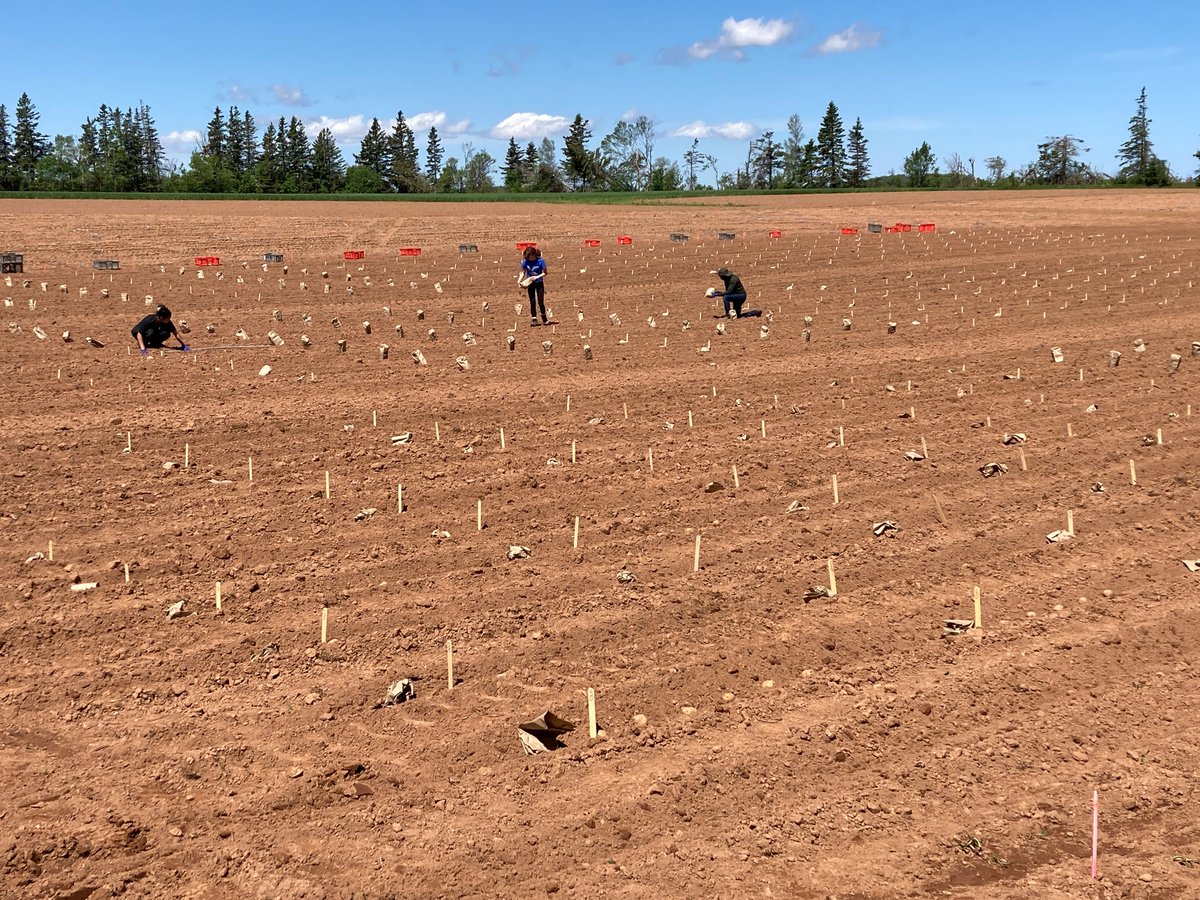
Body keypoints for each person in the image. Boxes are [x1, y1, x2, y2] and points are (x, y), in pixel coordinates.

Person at [520, 246, 548, 326]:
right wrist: (519, 281)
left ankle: (544, 318)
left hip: (539, 283)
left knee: (540, 302)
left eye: (529, 257)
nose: (528, 259)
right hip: (530, 283)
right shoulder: (525, 262)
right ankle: (534, 319)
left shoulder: (541, 261)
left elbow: (545, 273)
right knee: (532, 302)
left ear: (533, 255)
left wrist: (536, 277)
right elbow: (523, 272)